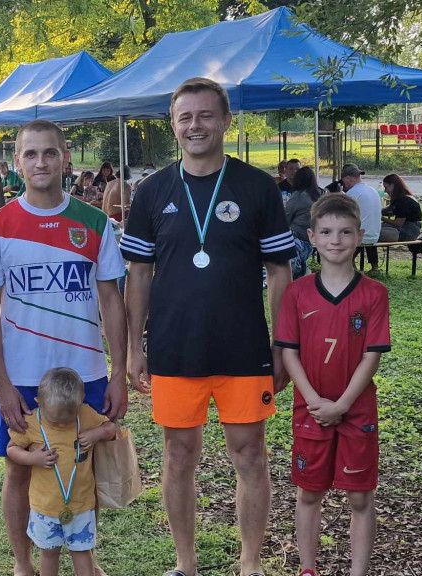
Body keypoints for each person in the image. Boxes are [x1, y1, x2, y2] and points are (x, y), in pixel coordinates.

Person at [121, 77, 294, 576]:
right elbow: (139, 274)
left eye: (205, 115)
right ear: (173, 125)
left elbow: (281, 271)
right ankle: (185, 564)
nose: (195, 125)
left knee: (250, 456)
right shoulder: (152, 192)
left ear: (225, 121)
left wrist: (282, 345)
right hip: (176, 348)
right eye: (185, 117)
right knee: (178, 456)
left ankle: (250, 563)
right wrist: (135, 348)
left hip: (243, 348)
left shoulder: (257, 186)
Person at [0, 119, 128, 576]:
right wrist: (1, 385)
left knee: (85, 463)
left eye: (50, 153)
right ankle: (24, 565)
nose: (41, 162)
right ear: (16, 163)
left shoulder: (94, 221)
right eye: (31, 154)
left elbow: (111, 300)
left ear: (66, 158)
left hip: (85, 373)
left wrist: (118, 372)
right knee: (19, 470)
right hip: (23, 376)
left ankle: (85, 560)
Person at [274, 193, 390, 576]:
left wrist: (340, 404)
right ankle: (308, 569)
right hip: (311, 410)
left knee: (360, 496)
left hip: (356, 411)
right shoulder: (296, 292)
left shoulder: (375, 294)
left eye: (344, 232)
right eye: (326, 232)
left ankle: (359, 571)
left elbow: (371, 356)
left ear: (359, 236)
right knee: (309, 492)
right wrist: (313, 401)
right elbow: (289, 353)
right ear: (312, 236)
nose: (335, 240)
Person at [7, 368, 118, 576]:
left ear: (82, 400)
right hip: (44, 507)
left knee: (83, 552)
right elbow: (11, 449)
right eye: (55, 421)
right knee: (48, 553)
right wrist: (32, 458)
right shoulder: (32, 423)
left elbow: (111, 429)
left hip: (81, 505)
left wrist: (97, 433)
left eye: (68, 420)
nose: (62, 424)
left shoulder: (86, 414)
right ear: (38, 401)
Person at [341, 164, 382, 273]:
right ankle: (374, 267)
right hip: (374, 236)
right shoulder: (373, 190)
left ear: (347, 179)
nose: (343, 185)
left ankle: (349, 265)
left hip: (360, 238)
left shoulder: (352, 193)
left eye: (343, 182)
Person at [285, 166, 323, 279]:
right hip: (319, 236)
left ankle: (300, 269)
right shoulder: (323, 194)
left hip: (300, 237)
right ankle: (303, 267)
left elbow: (285, 219)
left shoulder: (298, 196)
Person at [378, 173, 422, 242]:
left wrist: (381, 217)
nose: (385, 191)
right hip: (409, 230)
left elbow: (398, 223)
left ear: (393, 185)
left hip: (408, 232)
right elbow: (389, 210)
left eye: (386, 187)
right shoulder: (404, 198)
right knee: (372, 232)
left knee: (372, 233)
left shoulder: (404, 201)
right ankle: (371, 253)